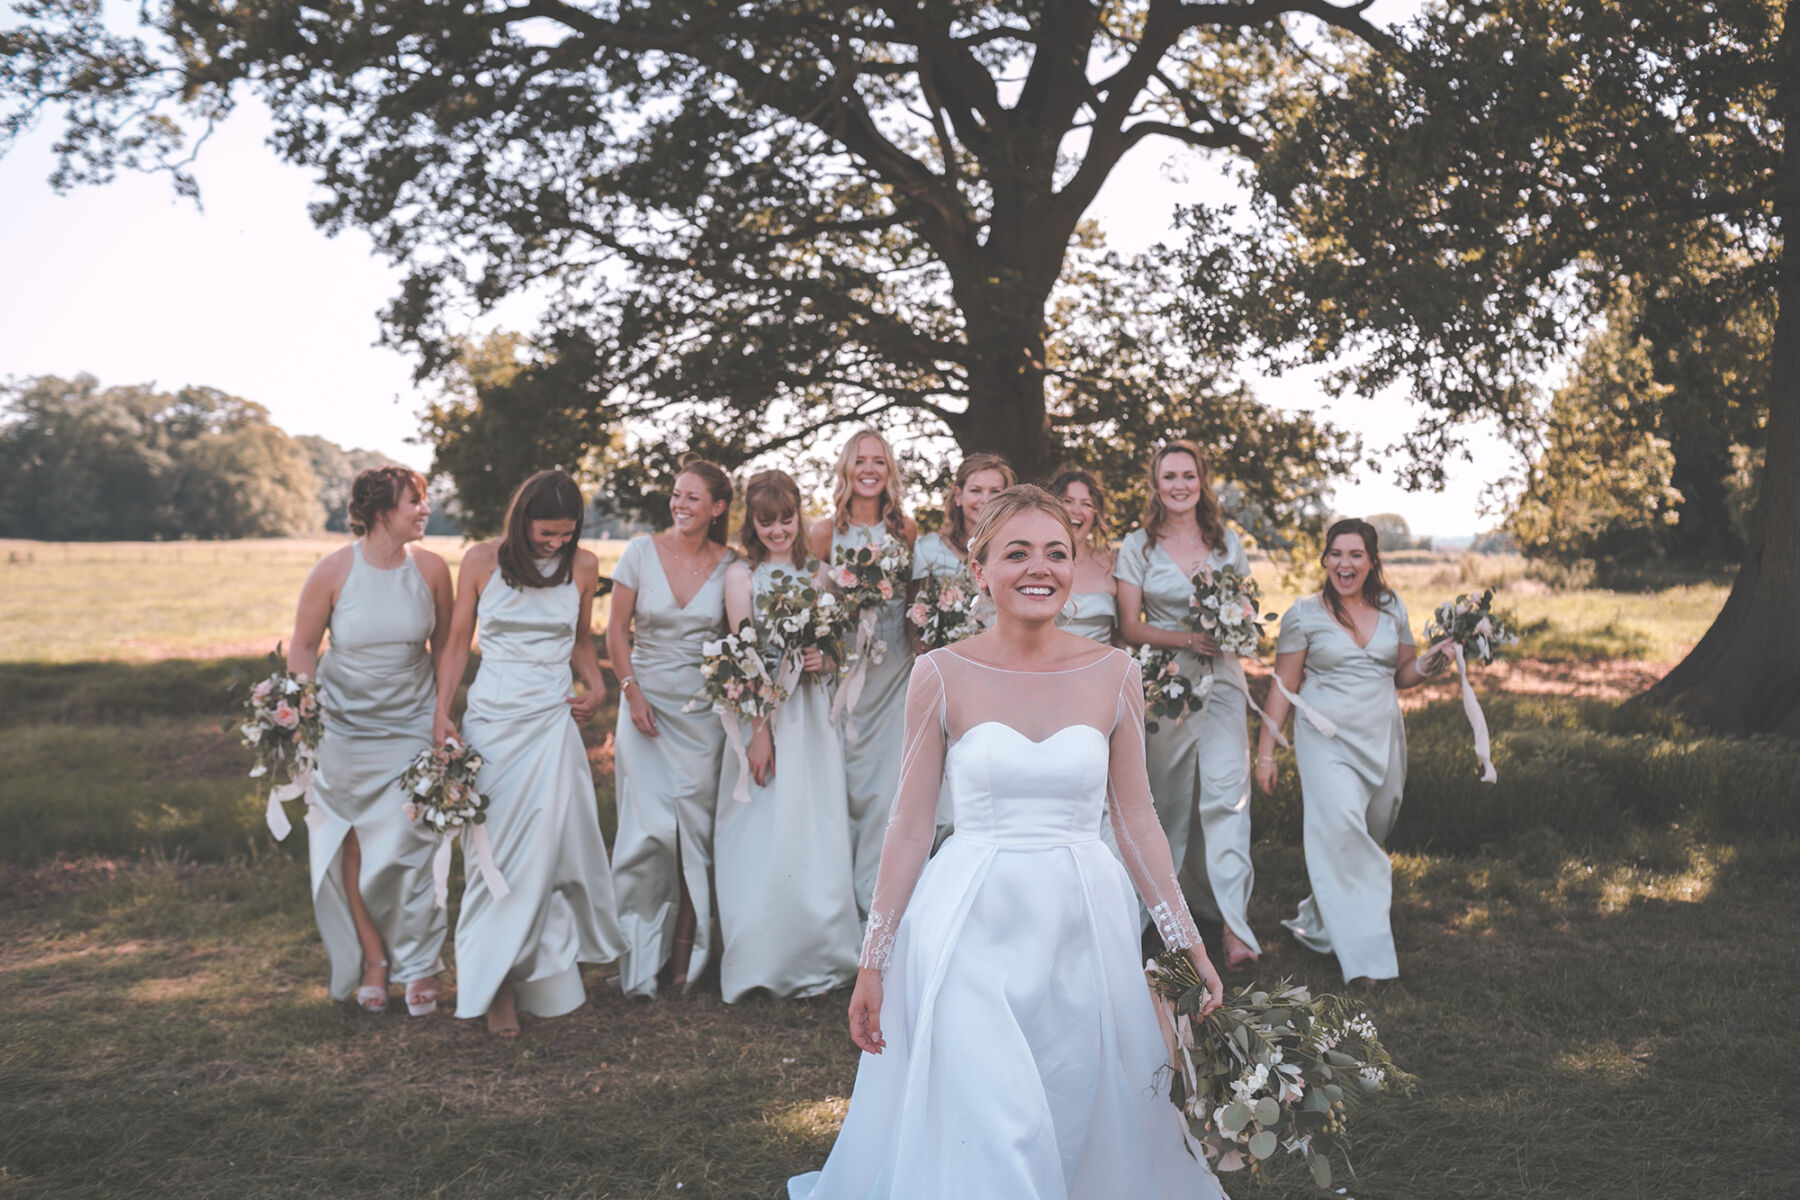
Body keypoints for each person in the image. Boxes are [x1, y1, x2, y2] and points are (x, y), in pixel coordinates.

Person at [788, 486, 1226, 1200]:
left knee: (1072, 1099)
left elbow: (1137, 821)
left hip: (1084, 922)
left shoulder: (1116, 672)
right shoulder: (939, 673)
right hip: (971, 920)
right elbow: (909, 825)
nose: (1039, 568)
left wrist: (1187, 945)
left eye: (1056, 552)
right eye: (1016, 552)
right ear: (980, 568)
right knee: (996, 1117)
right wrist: (874, 961)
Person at [433, 469, 620, 1036]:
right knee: (493, 854)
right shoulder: (480, 561)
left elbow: (579, 640)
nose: (556, 543)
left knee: (546, 853)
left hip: (551, 725)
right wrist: (441, 712)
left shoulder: (583, 566)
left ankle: (540, 975)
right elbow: (456, 643)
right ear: (522, 521)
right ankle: (495, 987)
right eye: (546, 533)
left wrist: (597, 685)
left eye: (566, 533)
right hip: (492, 724)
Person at [288, 466, 454, 1015]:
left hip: (411, 723)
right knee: (354, 844)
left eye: (424, 500)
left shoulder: (432, 570)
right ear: (382, 512)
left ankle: (420, 962)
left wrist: (443, 713)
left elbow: (448, 647)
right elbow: (304, 646)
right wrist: (302, 710)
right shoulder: (334, 570)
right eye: (414, 502)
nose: (424, 510)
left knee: (413, 839)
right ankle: (375, 960)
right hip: (344, 729)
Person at [1254, 518, 1441, 984]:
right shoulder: (1304, 614)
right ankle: (1367, 961)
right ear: (1325, 559)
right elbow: (1283, 686)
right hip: (1325, 739)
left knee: (1366, 833)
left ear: (1372, 561)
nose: (1345, 563)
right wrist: (1266, 752)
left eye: (1356, 554)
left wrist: (1436, 659)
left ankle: (1320, 919)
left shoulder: (1393, 607)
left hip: (1381, 736)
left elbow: (1404, 673)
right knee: (1345, 833)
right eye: (1336, 553)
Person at [714, 470, 863, 1002]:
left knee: (814, 822)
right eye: (766, 522)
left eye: (785, 519)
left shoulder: (820, 574)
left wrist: (825, 659)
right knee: (762, 827)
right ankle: (763, 955)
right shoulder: (742, 576)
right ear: (751, 524)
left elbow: (835, 648)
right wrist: (760, 733)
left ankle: (821, 951)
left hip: (812, 712)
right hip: (765, 712)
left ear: (799, 515)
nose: (777, 530)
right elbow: (745, 654)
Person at [1114, 440, 1261, 968]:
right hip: (1165, 685)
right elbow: (1129, 626)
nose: (1180, 485)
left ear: (1203, 482)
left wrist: (1235, 627)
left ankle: (1235, 927)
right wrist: (1186, 640)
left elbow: (1245, 605)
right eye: (1170, 476)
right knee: (1165, 801)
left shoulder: (1226, 543)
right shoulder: (1138, 546)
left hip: (1221, 682)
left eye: (1189, 476)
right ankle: (1151, 912)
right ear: (1156, 485)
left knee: (1227, 793)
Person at [607, 459, 736, 997]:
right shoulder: (640, 552)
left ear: (717, 508)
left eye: (692, 497)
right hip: (643, 705)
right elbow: (615, 632)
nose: (679, 504)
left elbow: (739, 639)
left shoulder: (731, 565)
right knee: (648, 834)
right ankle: (640, 954)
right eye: (676, 495)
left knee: (693, 836)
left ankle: (687, 948)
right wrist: (631, 692)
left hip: (701, 715)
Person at [806, 428, 917, 919]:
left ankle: (875, 906)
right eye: (860, 460)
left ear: (888, 470)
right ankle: (838, 906)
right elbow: (814, 611)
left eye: (878, 461)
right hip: (842, 673)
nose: (869, 469)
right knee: (840, 786)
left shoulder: (906, 530)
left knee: (884, 791)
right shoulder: (823, 533)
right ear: (846, 469)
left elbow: (913, 605)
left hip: (893, 673)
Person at [907, 452, 1015, 647]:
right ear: (958, 496)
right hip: (947, 652)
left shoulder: (1018, 550)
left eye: (995, 492)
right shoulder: (928, 548)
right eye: (975, 490)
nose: (985, 500)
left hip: (1006, 649)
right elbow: (914, 612)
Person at [1049, 466, 1119, 644]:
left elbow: (1121, 635)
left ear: (1095, 515)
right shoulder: (1035, 565)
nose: (1076, 510)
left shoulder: (1113, 566)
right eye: (1067, 501)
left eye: (1086, 504)